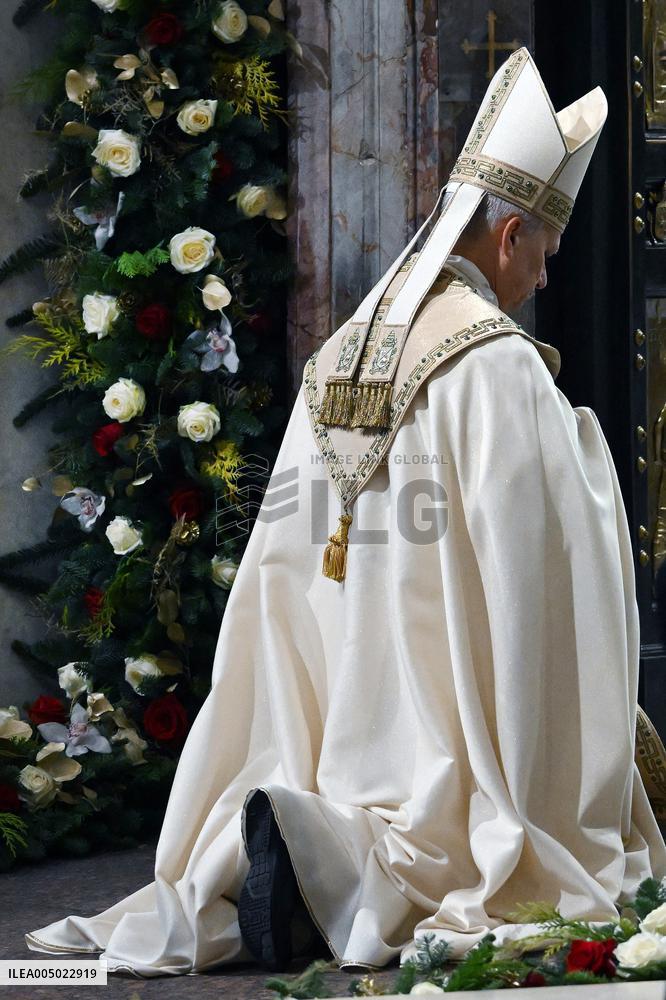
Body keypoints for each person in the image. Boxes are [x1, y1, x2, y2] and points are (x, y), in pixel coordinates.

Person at [25, 46, 666, 979]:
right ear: (509, 232)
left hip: (340, 699)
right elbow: (537, 558)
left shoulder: (344, 355)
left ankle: (312, 828)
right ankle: (337, 854)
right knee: (485, 831)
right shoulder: (497, 366)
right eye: (545, 252)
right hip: (449, 700)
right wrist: (587, 450)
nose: (543, 277)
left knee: (387, 782)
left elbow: (287, 550)